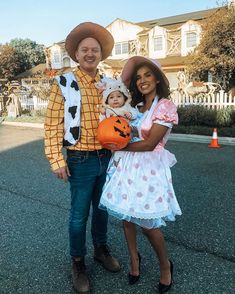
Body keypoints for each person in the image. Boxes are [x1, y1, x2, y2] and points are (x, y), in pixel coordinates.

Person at [44, 22, 120, 294]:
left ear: (101, 54)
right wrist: (56, 158)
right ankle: (78, 262)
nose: (90, 53)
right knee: (79, 215)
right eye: (84, 49)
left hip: (107, 156)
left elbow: (120, 114)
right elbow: (52, 125)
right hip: (80, 158)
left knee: (102, 210)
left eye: (95, 50)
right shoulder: (64, 82)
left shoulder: (108, 83)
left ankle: (100, 248)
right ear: (76, 54)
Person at [99, 56, 182, 293]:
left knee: (147, 224)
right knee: (127, 217)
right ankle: (135, 261)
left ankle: (165, 266)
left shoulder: (165, 106)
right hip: (128, 166)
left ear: (157, 78)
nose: (142, 80)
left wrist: (119, 146)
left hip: (149, 167)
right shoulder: (135, 107)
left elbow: (150, 143)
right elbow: (126, 130)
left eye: (147, 75)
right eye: (138, 77)